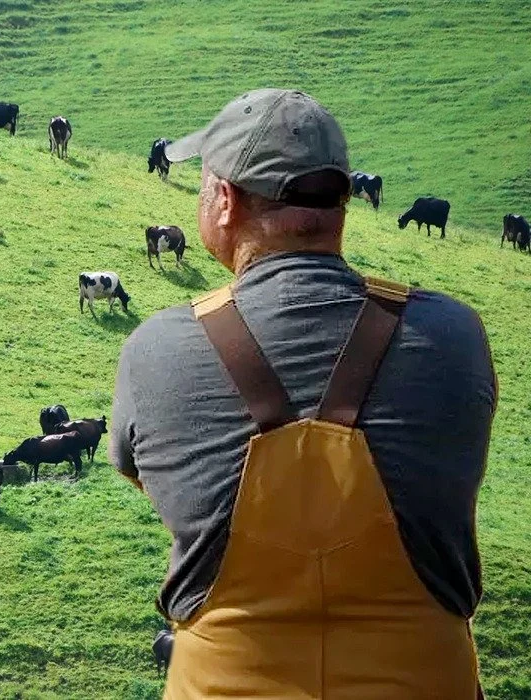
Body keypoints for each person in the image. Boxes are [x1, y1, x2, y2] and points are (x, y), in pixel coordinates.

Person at [109, 89, 494, 698]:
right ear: (342, 198)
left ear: (226, 201)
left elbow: (147, 478)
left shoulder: (156, 348)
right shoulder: (455, 334)